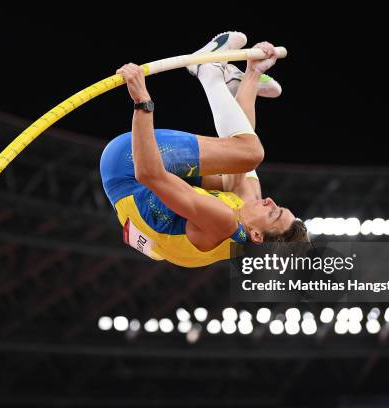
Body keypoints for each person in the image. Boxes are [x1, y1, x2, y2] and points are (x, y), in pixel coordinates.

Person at [100, 32, 308, 268]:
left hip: (127, 165)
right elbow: (237, 147)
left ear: (258, 236)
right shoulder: (240, 233)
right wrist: (254, 72)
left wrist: (142, 102)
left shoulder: (224, 222)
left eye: (273, 213)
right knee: (245, 171)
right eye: (278, 206)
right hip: (146, 193)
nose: (271, 202)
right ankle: (238, 81)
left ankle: (208, 70)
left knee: (251, 155)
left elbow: (147, 173)